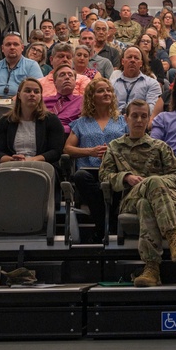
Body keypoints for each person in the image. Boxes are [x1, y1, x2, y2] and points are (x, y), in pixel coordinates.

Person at [99, 99, 176, 286]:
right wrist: (125, 177)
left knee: (146, 203)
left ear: (149, 119)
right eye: (134, 115)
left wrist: (153, 184)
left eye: (143, 116)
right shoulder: (115, 147)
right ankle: (173, 237)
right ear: (126, 118)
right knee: (145, 194)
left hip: (168, 200)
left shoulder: (160, 146)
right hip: (130, 199)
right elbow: (104, 176)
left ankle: (151, 268)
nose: (139, 120)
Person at [66, 79, 128, 243]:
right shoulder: (80, 123)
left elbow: (132, 146)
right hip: (89, 170)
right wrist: (90, 151)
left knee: (115, 181)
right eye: (101, 91)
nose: (106, 93)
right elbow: (68, 149)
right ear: (91, 97)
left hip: (114, 170)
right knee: (80, 177)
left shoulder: (122, 121)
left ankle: (100, 229)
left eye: (109, 90)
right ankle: (109, 224)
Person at [0, 77, 65, 168]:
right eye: (28, 91)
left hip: (42, 166)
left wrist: (32, 160)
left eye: (36, 92)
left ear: (41, 96)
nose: (32, 94)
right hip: (11, 165)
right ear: (19, 95)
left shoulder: (52, 120)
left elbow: (56, 152)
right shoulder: (5, 121)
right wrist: (11, 160)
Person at [110, 46, 162, 114]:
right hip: (115, 121)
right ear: (122, 61)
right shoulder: (112, 84)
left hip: (140, 121)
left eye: (136, 58)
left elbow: (152, 109)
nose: (132, 60)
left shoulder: (152, 84)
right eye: (129, 57)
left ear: (141, 63)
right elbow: (107, 108)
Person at [42, 65, 83, 132]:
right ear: (54, 82)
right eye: (62, 75)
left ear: (75, 82)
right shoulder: (43, 101)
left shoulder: (83, 101)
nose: (67, 77)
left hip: (69, 136)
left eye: (70, 75)